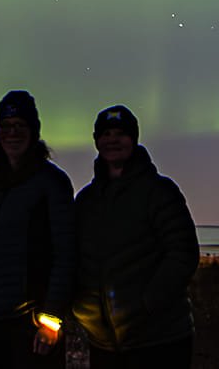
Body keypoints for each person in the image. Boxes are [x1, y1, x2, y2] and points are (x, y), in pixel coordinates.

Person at [71, 105, 199, 369]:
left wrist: (147, 303)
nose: (112, 140)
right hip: (103, 342)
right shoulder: (86, 200)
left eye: (120, 133)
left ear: (134, 139)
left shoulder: (159, 191)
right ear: (97, 141)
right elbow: (74, 257)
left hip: (159, 340)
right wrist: (81, 309)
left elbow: (183, 252)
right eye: (105, 134)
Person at [0, 91, 75, 368]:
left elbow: (66, 254)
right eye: (6, 126)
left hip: (30, 328)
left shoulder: (52, 183)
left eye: (20, 126)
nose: (12, 133)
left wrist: (51, 319)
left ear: (33, 131)